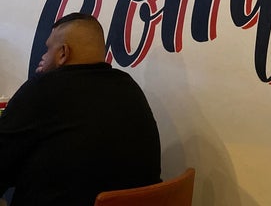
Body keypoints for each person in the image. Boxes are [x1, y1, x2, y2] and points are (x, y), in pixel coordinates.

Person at [0, 13, 161, 206]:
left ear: (63, 53)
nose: (43, 57)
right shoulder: (130, 88)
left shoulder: (43, 89)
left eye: (48, 49)